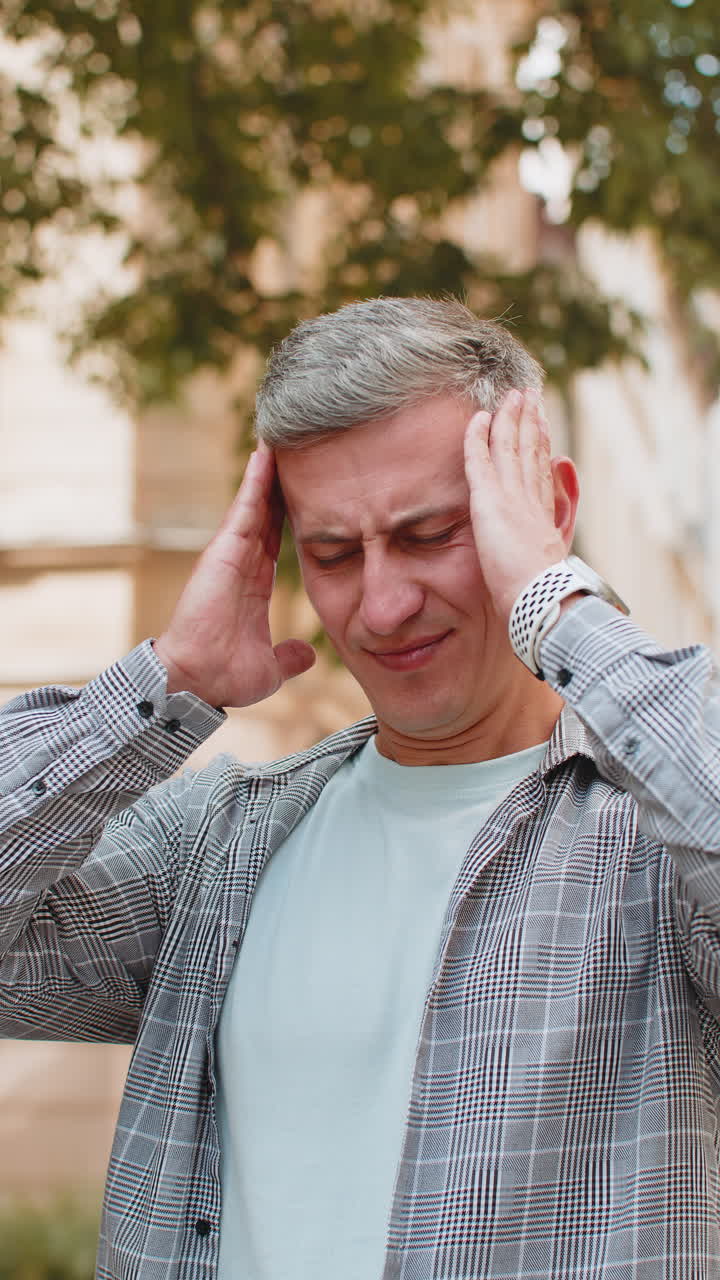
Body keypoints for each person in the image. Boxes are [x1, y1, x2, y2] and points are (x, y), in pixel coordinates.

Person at [0, 295, 718, 1280]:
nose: (380, 606)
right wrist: (165, 678)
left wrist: (557, 606)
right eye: (334, 553)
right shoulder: (213, 845)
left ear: (548, 508)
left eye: (430, 535)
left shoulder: (657, 843)